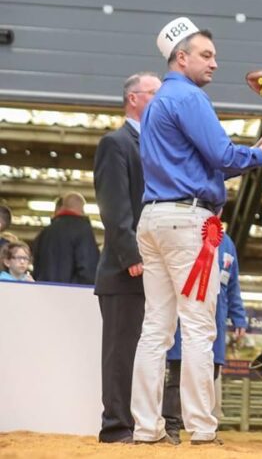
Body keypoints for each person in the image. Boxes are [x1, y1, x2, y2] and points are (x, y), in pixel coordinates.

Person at [130, 16, 262, 446]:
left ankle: (146, 428)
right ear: (181, 58)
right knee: (199, 327)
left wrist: (251, 154)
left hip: (154, 218)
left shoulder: (158, 104)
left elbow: (200, 165)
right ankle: (201, 428)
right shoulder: (189, 97)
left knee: (156, 329)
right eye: (206, 55)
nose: (214, 63)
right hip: (187, 224)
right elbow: (221, 156)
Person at [93, 71, 161, 444]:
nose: (162, 101)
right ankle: (116, 426)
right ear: (133, 98)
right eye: (154, 94)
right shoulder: (116, 143)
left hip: (155, 268)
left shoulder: (158, 144)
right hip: (125, 270)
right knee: (121, 352)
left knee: (147, 350)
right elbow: (113, 204)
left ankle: (146, 424)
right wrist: (130, 253)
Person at [162, 232, 247, 443]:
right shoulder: (186, 233)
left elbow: (233, 285)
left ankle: (204, 427)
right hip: (186, 315)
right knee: (177, 373)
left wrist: (239, 317)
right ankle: (171, 426)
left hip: (216, 319)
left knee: (211, 373)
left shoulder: (227, 243)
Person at [31, 191, 99, 284]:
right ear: (82, 208)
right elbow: (88, 268)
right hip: (72, 290)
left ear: (63, 207)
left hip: (44, 288)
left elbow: (36, 267)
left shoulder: (45, 232)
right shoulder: (83, 230)